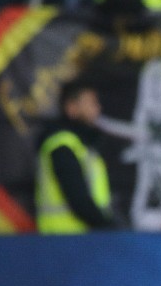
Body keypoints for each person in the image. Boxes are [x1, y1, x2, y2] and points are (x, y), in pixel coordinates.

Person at [36, 79, 118, 234]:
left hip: (82, 240)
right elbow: (78, 200)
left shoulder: (83, 146)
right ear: (72, 108)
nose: (98, 109)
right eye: (91, 103)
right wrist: (109, 228)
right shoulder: (62, 146)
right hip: (65, 241)